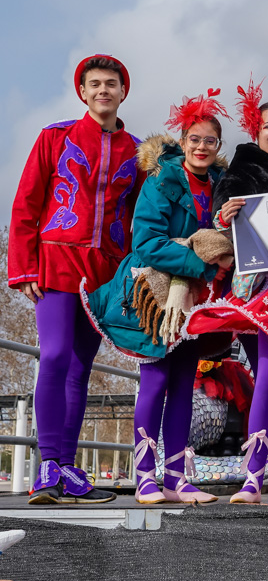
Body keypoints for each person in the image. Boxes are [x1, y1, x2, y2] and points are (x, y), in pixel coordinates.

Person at [84, 90, 233, 504]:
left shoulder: (221, 186)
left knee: (185, 383)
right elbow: (147, 243)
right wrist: (202, 263)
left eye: (210, 141)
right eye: (195, 139)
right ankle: (146, 477)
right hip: (154, 295)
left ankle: (176, 479)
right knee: (155, 380)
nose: (201, 147)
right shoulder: (160, 180)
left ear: (218, 146)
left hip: (195, 299)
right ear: (182, 142)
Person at [10, 54, 141, 505]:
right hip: (56, 260)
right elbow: (27, 203)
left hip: (105, 272)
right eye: (95, 84)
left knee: (81, 368)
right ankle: (47, 466)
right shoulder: (55, 136)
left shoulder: (138, 151)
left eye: (111, 84)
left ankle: (67, 468)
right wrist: (24, 267)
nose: (104, 90)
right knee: (55, 355)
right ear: (82, 92)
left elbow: (139, 216)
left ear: (123, 91)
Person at [183, 80, 268, 503]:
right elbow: (221, 214)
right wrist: (225, 212)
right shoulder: (241, 169)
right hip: (259, 292)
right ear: (256, 134)